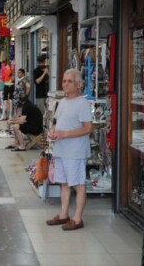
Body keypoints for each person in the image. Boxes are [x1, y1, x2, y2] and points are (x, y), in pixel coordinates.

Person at [46, 68, 92, 231]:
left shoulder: (83, 103)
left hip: (75, 151)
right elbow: (59, 123)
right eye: (64, 81)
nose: (66, 84)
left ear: (79, 84)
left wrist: (65, 134)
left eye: (70, 81)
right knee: (64, 184)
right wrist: (53, 131)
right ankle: (64, 214)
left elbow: (87, 129)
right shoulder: (62, 102)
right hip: (61, 149)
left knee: (78, 184)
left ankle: (77, 218)